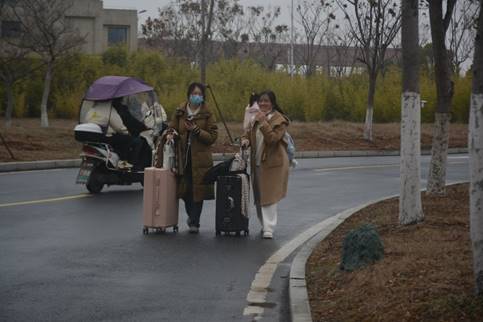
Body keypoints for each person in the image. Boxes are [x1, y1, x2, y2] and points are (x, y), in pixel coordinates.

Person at [156, 82, 218, 233]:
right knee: (184, 189)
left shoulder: (207, 112)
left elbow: (212, 136)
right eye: (194, 93)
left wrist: (196, 130)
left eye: (199, 94)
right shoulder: (180, 111)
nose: (196, 96)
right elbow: (172, 127)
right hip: (182, 157)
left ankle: (195, 222)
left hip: (200, 159)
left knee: (199, 190)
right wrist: (171, 133)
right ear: (189, 94)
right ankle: (191, 216)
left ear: (203, 97)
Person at [241, 90, 290, 239]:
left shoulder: (279, 120)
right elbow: (247, 133)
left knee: (269, 195)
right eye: (261, 101)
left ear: (272, 103)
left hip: (273, 163)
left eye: (266, 101)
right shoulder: (255, 118)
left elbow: (273, 139)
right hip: (257, 162)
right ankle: (264, 224)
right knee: (259, 196)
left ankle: (269, 227)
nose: (263, 103)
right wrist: (245, 140)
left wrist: (263, 122)